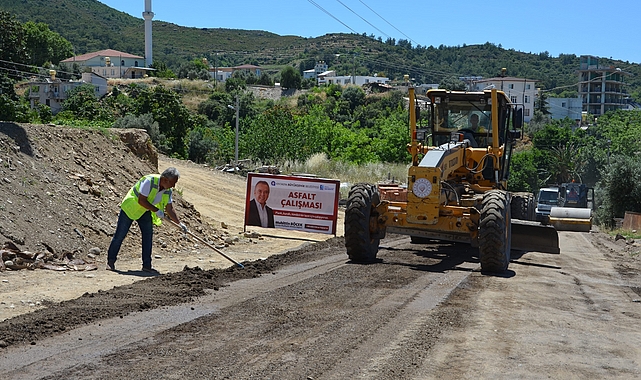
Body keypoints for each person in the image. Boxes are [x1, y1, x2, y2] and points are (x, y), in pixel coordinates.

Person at [107, 167, 188, 273]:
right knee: (120, 235)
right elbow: (141, 200)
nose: (173, 186)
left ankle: (147, 266)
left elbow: (169, 208)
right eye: (173, 183)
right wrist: (156, 210)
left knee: (148, 236)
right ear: (165, 179)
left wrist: (179, 223)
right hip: (131, 208)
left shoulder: (168, 190)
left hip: (145, 211)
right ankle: (110, 262)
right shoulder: (149, 181)